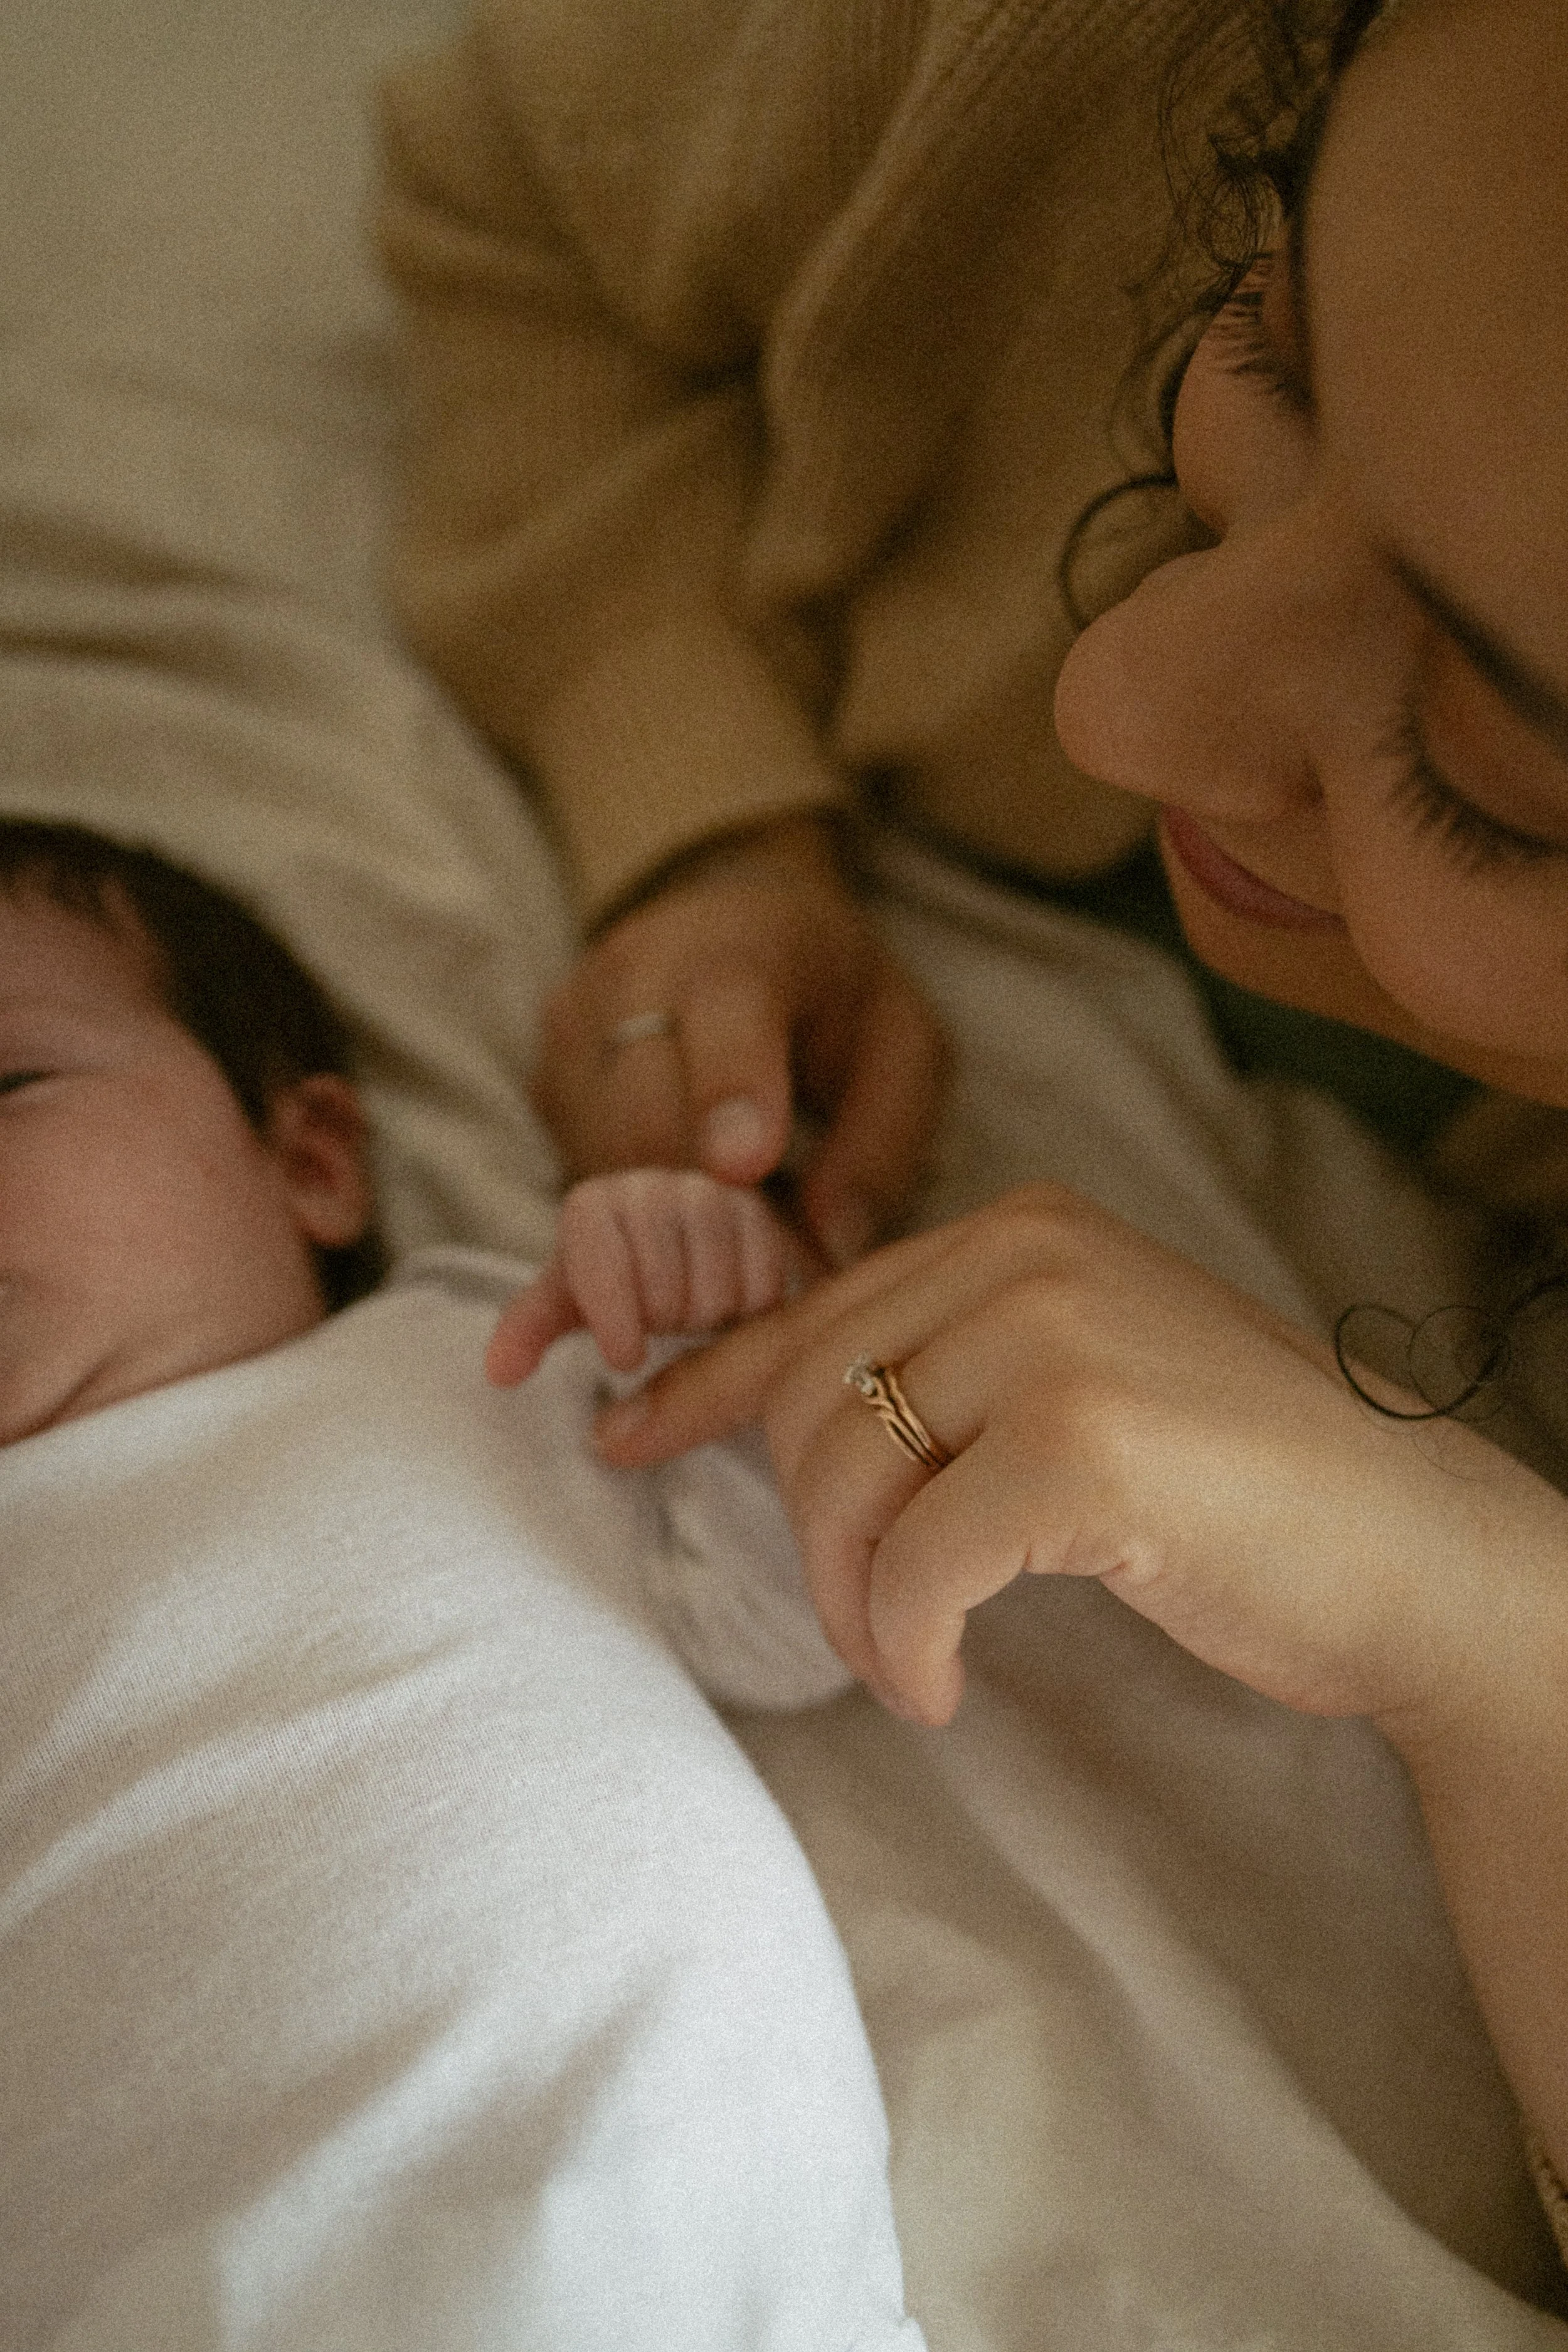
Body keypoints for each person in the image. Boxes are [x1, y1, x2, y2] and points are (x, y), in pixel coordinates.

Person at [578, 0, 1568, 2245]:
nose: (1119, 696)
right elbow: (521, 223)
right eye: (1270, 352)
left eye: (1494, 777)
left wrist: (1499, 1634)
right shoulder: (1080, 87)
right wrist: (697, 819)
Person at [0, 817, 920, 2351]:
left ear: (308, 1160)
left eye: (5, 1088)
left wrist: (718, 1314)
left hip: (665, 2244)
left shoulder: (484, 1356)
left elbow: (798, 1616)